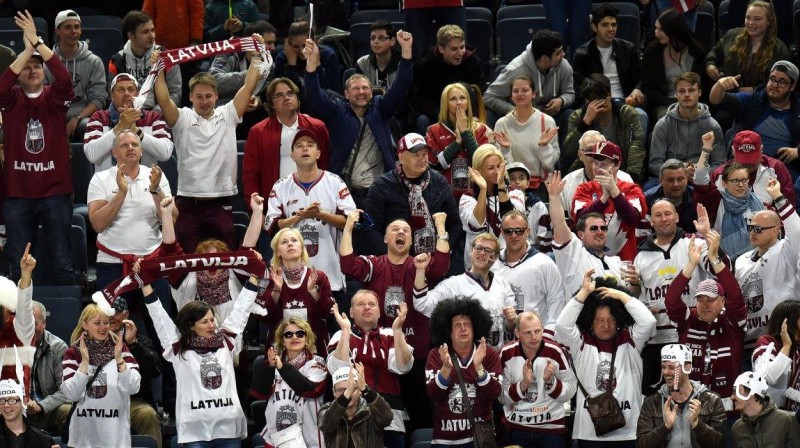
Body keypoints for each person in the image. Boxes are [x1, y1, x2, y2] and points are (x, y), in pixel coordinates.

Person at [339, 211, 450, 434]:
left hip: (415, 355)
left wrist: (440, 227)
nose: (401, 232)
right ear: (385, 239)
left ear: (411, 239)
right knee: (382, 419)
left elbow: (443, 265)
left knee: (422, 417)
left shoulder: (420, 263)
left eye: (406, 230)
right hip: (381, 358)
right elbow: (348, 265)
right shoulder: (375, 264)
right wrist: (348, 227)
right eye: (395, 230)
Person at [152, 42, 266, 253]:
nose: (204, 101)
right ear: (190, 97)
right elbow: (164, 99)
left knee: (226, 263)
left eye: (208, 96)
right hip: (187, 205)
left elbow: (248, 86)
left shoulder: (228, 114)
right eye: (199, 97)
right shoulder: (182, 117)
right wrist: (158, 70)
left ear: (216, 95)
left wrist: (256, 54)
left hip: (220, 203)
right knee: (185, 264)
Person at [141, 268, 262, 447]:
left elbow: (242, 308)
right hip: (195, 430)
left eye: (212, 319)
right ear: (191, 326)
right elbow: (158, 315)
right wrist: (145, 283)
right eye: (205, 321)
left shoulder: (226, 341)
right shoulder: (178, 348)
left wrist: (254, 272)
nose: (212, 325)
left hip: (228, 427)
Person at [0, 11, 77, 285]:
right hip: (17, 194)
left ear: (44, 71)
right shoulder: (10, 101)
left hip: (55, 193)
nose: (33, 70)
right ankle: (15, 325)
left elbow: (64, 79)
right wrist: (27, 50)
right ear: (19, 72)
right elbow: (1, 86)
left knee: (61, 261)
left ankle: (70, 322)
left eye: (37, 66)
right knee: (18, 266)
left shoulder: (54, 98)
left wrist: (38, 44)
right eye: (27, 67)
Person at [303, 33, 413, 208]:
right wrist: (311, 64)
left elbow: (400, 86)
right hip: (347, 191)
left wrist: (406, 50)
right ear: (346, 94)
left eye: (365, 88)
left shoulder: (381, 108)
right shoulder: (337, 111)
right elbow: (315, 97)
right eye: (355, 88)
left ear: (372, 91)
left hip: (380, 189)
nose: (361, 92)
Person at [555, 269, 657, 446]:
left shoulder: (631, 340)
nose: (606, 325)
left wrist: (622, 297)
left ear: (618, 319)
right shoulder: (580, 342)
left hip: (629, 432)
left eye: (611, 319)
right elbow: (562, 326)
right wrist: (584, 292)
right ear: (590, 321)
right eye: (599, 320)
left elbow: (649, 322)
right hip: (589, 433)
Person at [163, 194, 265, 356]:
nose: (212, 264)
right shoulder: (186, 279)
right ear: (197, 262)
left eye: (217, 259)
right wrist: (167, 215)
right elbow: (170, 250)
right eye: (206, 259)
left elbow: (247, 247)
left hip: (229, 354)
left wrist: (258, 212)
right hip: (190, 354)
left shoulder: (234, 275)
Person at [264, 127, 355, 303]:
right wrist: (299, 217)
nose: (305, 148)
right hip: (290, 279)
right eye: (299, 145)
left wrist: (320, 214)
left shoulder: (335, 182)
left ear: (319, 153)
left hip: (330, 274)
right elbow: (272, 227)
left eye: (310, 145)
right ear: (292, 155)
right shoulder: (281, 186)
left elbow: (349, 221)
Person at [635, 201, 714, 393]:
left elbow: (718, 270)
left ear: (677, 217)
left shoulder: (695, 243)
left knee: (692, 393)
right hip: (655, 339)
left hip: (691, 335)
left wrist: (709, 237)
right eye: (658, 215)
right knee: (656, 399)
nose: (664, 219)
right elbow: (639, 298)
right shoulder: (641, 256)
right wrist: (634, 290)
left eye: (668, 214)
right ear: (651, 221)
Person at [665, 232, 747, 415]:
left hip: (727, 409)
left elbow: (735, 294)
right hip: (688, 406)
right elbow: (671, 300)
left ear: (722, 302)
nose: (705, 305)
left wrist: (714, 260)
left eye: (710, 299)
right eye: (700, 299)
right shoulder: (688, 319)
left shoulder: (733, 321)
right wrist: (692, 264)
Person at [87, 129, 173, 291]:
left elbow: (172, 219)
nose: (131, 148)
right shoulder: (101, 178)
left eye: (135, 144)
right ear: (114, 152)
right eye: (124, 145)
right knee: (111, 317)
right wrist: (121, 193)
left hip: (151, 261)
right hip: (112, 263)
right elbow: (98, 224)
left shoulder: (155, 176)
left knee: (159, 316)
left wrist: (156, 191)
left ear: (141, 151)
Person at [327, 291, 413, 448]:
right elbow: (336, 369)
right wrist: (346, 330)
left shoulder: (391, 334)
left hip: (390, 420)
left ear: (379, 312)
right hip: (353, 423)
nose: (367, 307)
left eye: (372, 304)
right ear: (351, 312)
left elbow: (403, 366)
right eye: (360, 304)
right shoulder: (341, 335)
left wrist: (398, 330)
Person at [414, 232, 517, 349]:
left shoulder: (502, 284)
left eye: (488, 250)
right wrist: (420, 271)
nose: (482, 253)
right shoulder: (452, 285)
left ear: (495, 257)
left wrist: (511, 322)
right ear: (471, 251)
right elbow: (422, 304)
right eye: (478, 248)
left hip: (496, 360)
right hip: (466, 361)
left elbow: (511, 328)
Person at [242, 77, 330, 213]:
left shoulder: (317, 127)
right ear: (271, 104)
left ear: (297, 99)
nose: (287, 98)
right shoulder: (258, 132)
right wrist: (255, 209)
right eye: (279, 95)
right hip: (275, 207)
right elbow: (250, 174)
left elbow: (325, 166)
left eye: (290, 93)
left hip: (313, 204)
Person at [365, 132, 462, 256]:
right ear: (401, 157)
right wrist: (393, 259)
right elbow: (372, 229)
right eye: (416, 155)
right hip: (394, 261)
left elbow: (455, 225)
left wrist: (442, 255)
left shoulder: (440, 182)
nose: (422, 159)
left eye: (425, 154)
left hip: (433, 259)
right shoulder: (382, 186)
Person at [60, 305, 142, 448]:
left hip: (115, 439)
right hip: (82, 440)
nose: (103, 327)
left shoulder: (120, 349)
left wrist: (119, 360)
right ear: (85, 325)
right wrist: (84, 363)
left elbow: (133, 387)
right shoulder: (73, 353)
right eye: (97, 323)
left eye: (106, 322)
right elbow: (72, 394)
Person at [425, 297, 502, 447]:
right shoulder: (437, 354)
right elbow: (434, 395)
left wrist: (479, 367)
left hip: (478, 439)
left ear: (475, 329)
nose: (463, 328)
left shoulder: (488, 353)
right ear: (448, 331)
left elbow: (493, 394)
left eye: (467, 324)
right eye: (457, 325)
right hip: (444, 439)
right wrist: (446, 369)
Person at [735, 180, 800, 351]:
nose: (751, 232)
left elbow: (796, 229)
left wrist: (778, 197)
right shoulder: (741, 260)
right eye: (750, 228)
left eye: (758, 229)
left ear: (775, 231)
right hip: (750, 339)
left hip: (784, 337)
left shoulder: (786, 250)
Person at [709, 61, 800, 178]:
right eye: (772, 79)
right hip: (745, 163)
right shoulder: (753, 100)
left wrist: (798, 151)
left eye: (781, 82)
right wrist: (719, 85)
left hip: (784, 168)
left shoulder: (797, 109)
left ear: (792, 86)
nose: (775, 84)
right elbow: (716, 99)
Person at [499, 311, 577, 447]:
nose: (534, 337)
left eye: (537, 331)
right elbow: (500, 396)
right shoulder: (506, 353)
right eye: (527, 333)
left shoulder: (556, 352)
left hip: (551, 428)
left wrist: (550, 383)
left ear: (542, 328)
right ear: (517, 334)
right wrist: (523, 384)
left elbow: (571, 390)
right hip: (517, 427)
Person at [484, 29, 574, 143]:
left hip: (551, 115)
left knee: (570, 115)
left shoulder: (563, 65)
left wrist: (562, 100)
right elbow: (488, 97)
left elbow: (570, 93)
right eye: (558, 53)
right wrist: (513, 110)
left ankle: (563, 159)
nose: (563, 55)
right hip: (520, 120)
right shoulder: (515, 70)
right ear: (544, 58)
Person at [250, 318, 327, 448]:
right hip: (276, 435)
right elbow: (259, 393)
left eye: (300, 333)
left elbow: (310, 389)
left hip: (307, 436)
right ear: (282, 340)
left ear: (307, 338)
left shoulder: (317, 363)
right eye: (288, 334)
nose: (294, 337)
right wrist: (269, 367)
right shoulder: (272, 363)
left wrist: (282, 367)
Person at [572, 3, 647, 134]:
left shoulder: (628, 49)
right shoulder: (582, 54)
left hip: (624, 102)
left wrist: (637, 90)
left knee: (641, 116)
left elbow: (641, 78)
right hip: (597, 103)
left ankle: (634, 154)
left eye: (613, 24)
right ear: (594, 27)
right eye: (605, 25)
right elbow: (579, 90)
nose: (611, 29)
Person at [546, 170, 625, 296]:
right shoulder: (573, 253)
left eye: (603, 228)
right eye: (594, 228)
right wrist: (554, 197)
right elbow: (559, 224)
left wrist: (635, 284)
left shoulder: (616, 262)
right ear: (581, 234)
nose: (600, 232)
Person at [260, 228, 335, 356]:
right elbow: (263, 318)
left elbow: (328, 313)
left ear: (301, 248)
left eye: (294, 240)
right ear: (278, 252)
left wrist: (313, 291)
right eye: (284, 242)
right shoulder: (270, 279)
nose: (290, 243)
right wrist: (276, 291)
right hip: (280, 353)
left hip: (315, 350)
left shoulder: (319, 277)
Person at [635, 344, 727, 448]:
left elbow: (719, 444)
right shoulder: (651, 402)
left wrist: (697, 424)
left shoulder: (711, 401)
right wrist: (665, 427)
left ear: (687, 367)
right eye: (663, 367)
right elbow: (642, 444)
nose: (665, 372)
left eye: (671, 367)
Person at [693, 133, 766, 261]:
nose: (741, 185)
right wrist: (706, 149)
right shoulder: (715, 200)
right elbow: (700, 178)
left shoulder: (760, 204)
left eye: (744, 180)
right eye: (735, 181)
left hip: (756, 262)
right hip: (721, 260)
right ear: (724, 183)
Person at [572, 140, 647, 260]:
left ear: (617, 165)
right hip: (590, 260)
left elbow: (633, 218)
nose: (598, 168)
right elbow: (581, 219)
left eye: (604, 164)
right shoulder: (584, 189)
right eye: (595, 163)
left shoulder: (632, 189)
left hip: (624, 261)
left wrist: (615, 192)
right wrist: (603, 199)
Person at [491, 211, 565, 333]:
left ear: (528, 231)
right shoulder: (493, 266)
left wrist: (549, 333)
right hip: (503, 342)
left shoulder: (544, 263)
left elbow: (557, 300)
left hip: (537, 339)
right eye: (508, 231)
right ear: (502, 233)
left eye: (519, 230)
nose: (513, 235)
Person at [83, 73, 173, 171]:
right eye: (121, 89)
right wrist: (120, 126)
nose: (126, 93)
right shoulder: (99, 118)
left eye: (131, 89)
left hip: (144, 184)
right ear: (111, 95)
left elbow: (165, 153)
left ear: (138, 94)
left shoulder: (153, 118)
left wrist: (136, 131)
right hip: (108, 185)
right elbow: (91, 155)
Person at [565, 74, 645, 183]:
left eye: (603, 97)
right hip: (588, 175)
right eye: (595, 99)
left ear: (610, 94)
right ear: (587, 101)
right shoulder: (577, 117)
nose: (601, 102)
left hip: (621, 171)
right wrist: (584, 123)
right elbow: (568, 152)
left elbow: (636, 147)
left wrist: (631, 178)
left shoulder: (627, 114)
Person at [107, 298, 163, 448]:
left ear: (126, 315)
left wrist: (133, 344)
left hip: (134, 402)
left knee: (148, 415)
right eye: (108, 312)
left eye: (116, 312)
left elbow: (155, 371)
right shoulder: (94, 341)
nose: (111, 316)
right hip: (102, 401)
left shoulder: (141, 341)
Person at [649, 71, 725, 179]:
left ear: (699, 92)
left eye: (691, 90)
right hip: (670, 180)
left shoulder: (712, 126)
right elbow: (655, 164)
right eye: (681, 91)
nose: (687, 95)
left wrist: (699, 172)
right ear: (675, 94)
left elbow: (720, 165)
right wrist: (679, 172)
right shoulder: (663, 125)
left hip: (701, 180)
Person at [459, 145, 525, 269]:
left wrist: (501, 185)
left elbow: (512, 221)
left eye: (499, 166)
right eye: (490, 168)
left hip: (509, 263)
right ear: (478, 170)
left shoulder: (515, 193)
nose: (496, 172)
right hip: (478, 265)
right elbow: (476, 224)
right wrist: (483, 190)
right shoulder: (467, 197)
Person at [425, 83, 493, 199]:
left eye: (462, 98)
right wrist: (457, 143)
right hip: (445, 195)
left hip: (476, 194)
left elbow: (482, 162)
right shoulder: (433, 130)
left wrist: (465, 133)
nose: (459, 103)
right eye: (453, 99)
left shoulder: (481, 129)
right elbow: (436, 165)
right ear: (445, 104)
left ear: (468, 102)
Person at [705, 1, 789, 94]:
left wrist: (756, 90)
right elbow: (714, 53)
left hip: (762, 101)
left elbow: (783, 83)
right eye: (748, 18)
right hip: (729, 96)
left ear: (769, 20)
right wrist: (710, 64)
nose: (750, 23)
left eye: (757, 19)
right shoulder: (731, 35)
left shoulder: (780, 49)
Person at [639, 8, 708, 121]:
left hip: (692, 100)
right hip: (663, 103)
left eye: (661, 29)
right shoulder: (652, 51)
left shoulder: (695, 50)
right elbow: (648, 87)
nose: (656, 33)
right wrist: (673, 103)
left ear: (673, 29)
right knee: (669, 118)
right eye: (656, 28)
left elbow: (703, 84)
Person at [50, 9, 107, 141]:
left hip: (82, 117)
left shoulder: (93, 61)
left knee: (89, 125)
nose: (74, 31)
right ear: (57, 31)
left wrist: (77, 118)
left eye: (77, 27)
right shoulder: (48, 62)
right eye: (68, 27)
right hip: (54, 117)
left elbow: (99, 98)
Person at [412, 25, 485, 127]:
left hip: (468, 111)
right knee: (422, 120)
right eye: (454, 49)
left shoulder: (473, 62)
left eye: (462, 47)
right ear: (441, 49)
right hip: (437, 114)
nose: (460, 53)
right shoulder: (426, 65)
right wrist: (443, 116)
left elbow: (478, 93)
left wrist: (469, 115)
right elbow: (422, 98)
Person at [108, 11, 181, 111]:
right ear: (131, 36)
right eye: (145, 32)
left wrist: (155, 113)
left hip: (159, 115)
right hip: (127, 113)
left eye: (152, 30)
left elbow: (175, 94)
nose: (152, 36)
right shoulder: (117, 61)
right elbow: (113, 96)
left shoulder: (167, 57)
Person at [493, 75, 560, 183]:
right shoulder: (502, 124)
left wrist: (543, 146)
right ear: (511, 96)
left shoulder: (547, 121)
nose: (520, 94)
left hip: (541, 185)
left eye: (525, 90)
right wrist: (505, 149)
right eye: (515, 91)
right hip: (512, 184)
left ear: (533, 94)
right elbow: (500, 165)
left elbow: (550, 165)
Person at [708, 130, 795, 206]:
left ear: (762, 150)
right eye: (743, 159)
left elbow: (789, 206)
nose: (748, 164)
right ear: (733, 151)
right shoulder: (719, 175)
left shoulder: (776, 169)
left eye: (752, 158)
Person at [318, 363, 393, 448]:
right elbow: (326, 426)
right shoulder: (326, 410)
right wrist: (349, 390)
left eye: (352, 389)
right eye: (341, 390)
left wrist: (365, 389)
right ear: (333, 392)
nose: (347, 395)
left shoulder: (370, 410)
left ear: (359, 390)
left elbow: (387, 418)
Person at [560, 131, 633, 218]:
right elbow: (564, 220)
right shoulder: (567, 182)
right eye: (590, 150)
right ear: (580, 155)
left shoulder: (625, 179)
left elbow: (635, 219)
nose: (596, 154)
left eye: (601, 149)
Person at [25, 301, 69, 435]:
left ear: (44, 323)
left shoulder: (58, 348)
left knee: (67, 410)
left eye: (34, 324)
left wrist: (41, 406)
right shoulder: (7, 346)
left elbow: (67, 391)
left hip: (48, 412)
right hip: (14, 409)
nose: (29, 329)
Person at [752, 300, 800, 409]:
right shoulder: (766, 342)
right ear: (788, 322)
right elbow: (770, 377)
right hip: (773, 415)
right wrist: (786, 346)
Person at [730, 371, 800, 446]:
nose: (732, 397)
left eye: (736, 391)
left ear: (752, 394)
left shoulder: (787, 421)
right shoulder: (737, 428)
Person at [275, 21, 341, 93]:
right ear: (290, 45)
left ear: (315, 42)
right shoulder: (282, 58)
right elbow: (285, 94)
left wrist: (317, 64)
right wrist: (291, 65)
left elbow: (333, 92)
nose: (302, 50)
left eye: (305, 45)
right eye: (296, 47)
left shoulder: (328, 55)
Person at [643, 160, 698, 234]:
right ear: (661, 181)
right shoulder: (647, 199)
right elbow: (643, 237)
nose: (676, 184)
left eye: (680, 179)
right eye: (670, 180)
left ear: (687, 179)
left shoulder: (696, 197)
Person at [0, 376, 56, 447]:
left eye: (12, 400)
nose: (6, 405)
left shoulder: (43, 440)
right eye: (2, 400)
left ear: (24, 401)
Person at [356, 21, 401, 92]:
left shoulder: (403, 64)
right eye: (373, 38)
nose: (376, 41)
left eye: (381, 38)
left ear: (392, 41)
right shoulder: (362, 63)